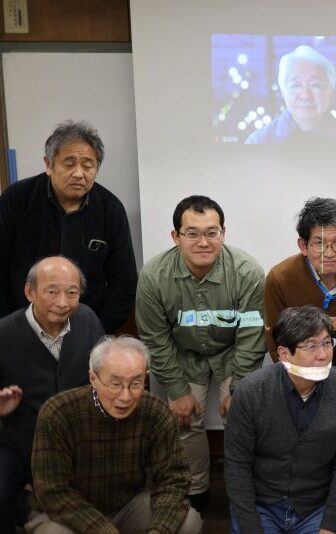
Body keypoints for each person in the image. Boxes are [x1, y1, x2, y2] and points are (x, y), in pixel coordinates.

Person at [135, 195, 266, 510]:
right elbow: (154, 337)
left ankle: (242, 489)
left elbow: (251, 334)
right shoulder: (153, 276)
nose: (203, 242)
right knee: (184, 420)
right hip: (183, 353)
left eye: (212, 232)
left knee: (243, 416)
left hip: (233, 352)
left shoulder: (248, 271)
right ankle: (195, 490)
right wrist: (177, 389)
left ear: (224, 233)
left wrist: (238, 388)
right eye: (192, 233)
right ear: (176, 236)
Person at [26, 336, 202, 533]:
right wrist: (103, 530)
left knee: (189, 523)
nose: (126, 396)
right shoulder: (58, 412)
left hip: (126, 506)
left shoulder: (155, 411)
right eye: (115, 384)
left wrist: (158, 530)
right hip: (68, 511)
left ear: (145, 377)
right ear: (93, 378)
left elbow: (175, 480)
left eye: (136, 384)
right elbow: (52, 491)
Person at [224, 305, 336, 534]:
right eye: (311, 346)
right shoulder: (251, 391)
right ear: (283, 353)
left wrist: (329, 524)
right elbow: (237, 464)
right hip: (261, 505)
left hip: (316, 508)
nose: (323, 354)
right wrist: (250, 526)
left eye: (327, 343)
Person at [0, 120, 137, 333]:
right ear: (48, 164)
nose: (79, 173)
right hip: (22, 325)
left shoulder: (111, 209)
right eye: (69, 164)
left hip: (87, 328)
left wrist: (97, 330)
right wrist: (10, 326)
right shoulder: (17, 199)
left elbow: (124, 281)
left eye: (88, 165)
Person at [0, 256, 104, 532]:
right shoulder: (4, 334)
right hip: (22, 442)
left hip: (80, 440)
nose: (63, 302)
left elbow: (104, 372)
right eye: (52, 291)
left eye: (72, 293)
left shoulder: (88, 319)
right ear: (29, 291)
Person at [264, 197, 336, 398]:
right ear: (303, 246)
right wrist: (299, 379)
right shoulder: (279, 278)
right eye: (319, 243)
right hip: (301, 364)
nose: (329, 253)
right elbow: (275, 338)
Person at [245, 45, 336, 145]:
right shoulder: (258, 142)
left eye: (315, 85)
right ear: (283, 93)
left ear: (331, 94)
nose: (305, 96)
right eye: (296, 85)